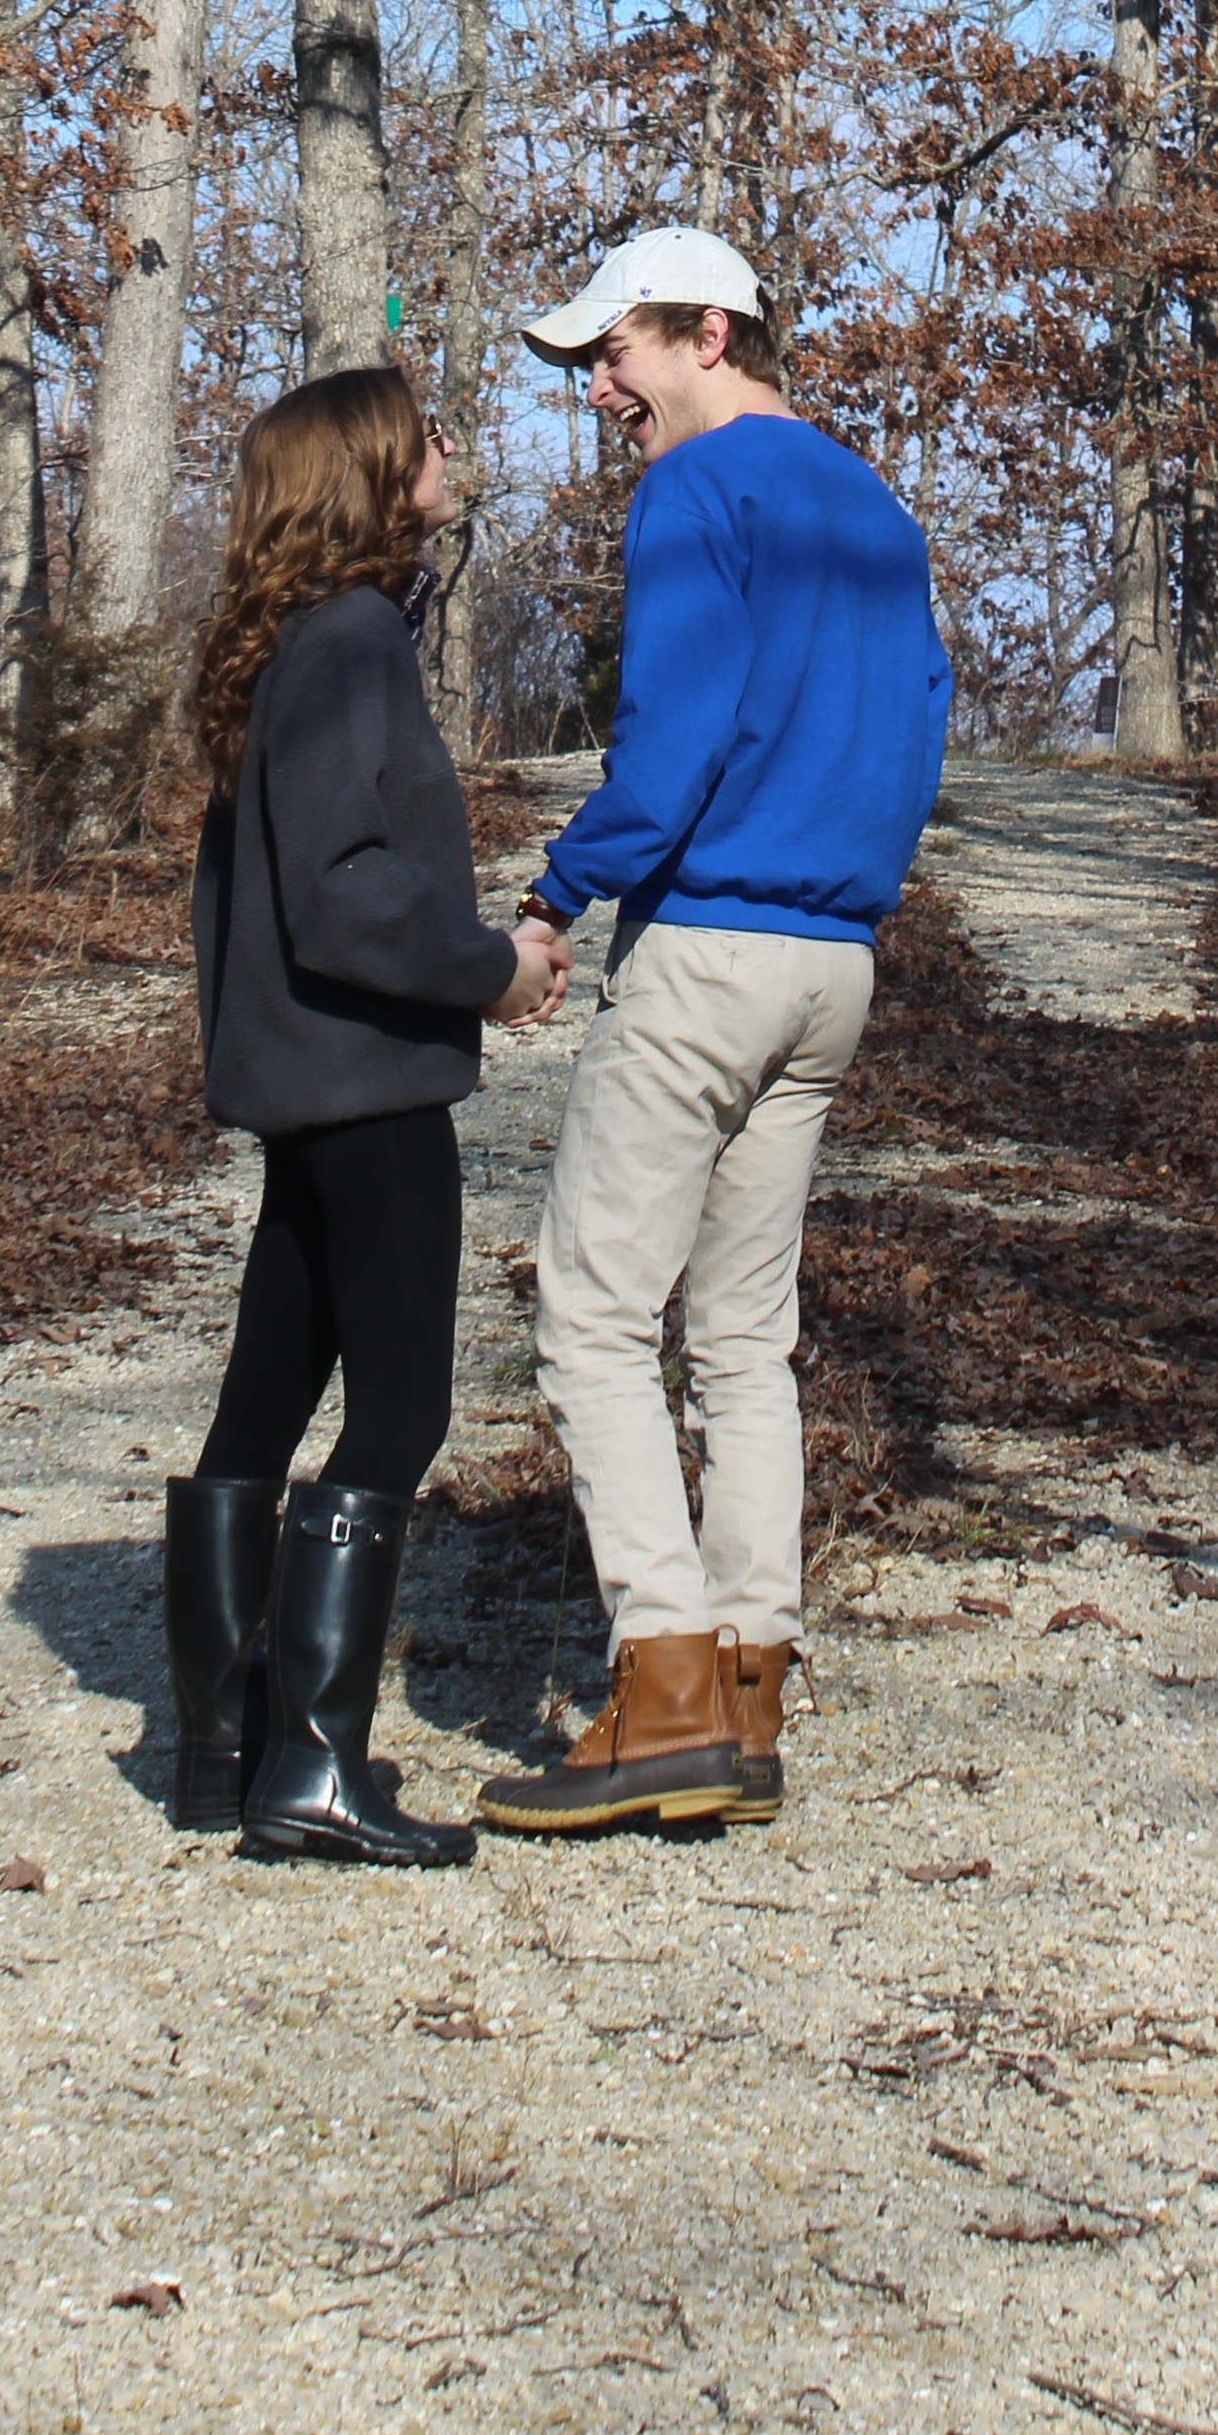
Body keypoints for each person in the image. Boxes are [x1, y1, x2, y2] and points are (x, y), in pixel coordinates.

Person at [475, 227, 950, 1840]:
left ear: (710, 331)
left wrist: (551, 904)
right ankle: (747, 1695)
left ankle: (663, 1688)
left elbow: (668, 746)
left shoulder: (698, 490)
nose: (598, 388)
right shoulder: (874, 501)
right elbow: (917, 724)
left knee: (597, 1321)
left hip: (711, 956)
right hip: (834, 964)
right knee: (747, 1342)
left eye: (614, 349)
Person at [168, 362, 570, 1868]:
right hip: (366, 1084)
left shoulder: (300, 642)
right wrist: (492, 969)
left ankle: (222, 1749)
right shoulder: (347, 647)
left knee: (265, 1402)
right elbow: (342, 891)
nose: (452, 452)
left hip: (307, 1085)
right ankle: (314, 1771)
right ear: (368, 475)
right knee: (398, 1411)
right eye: (427, 440)